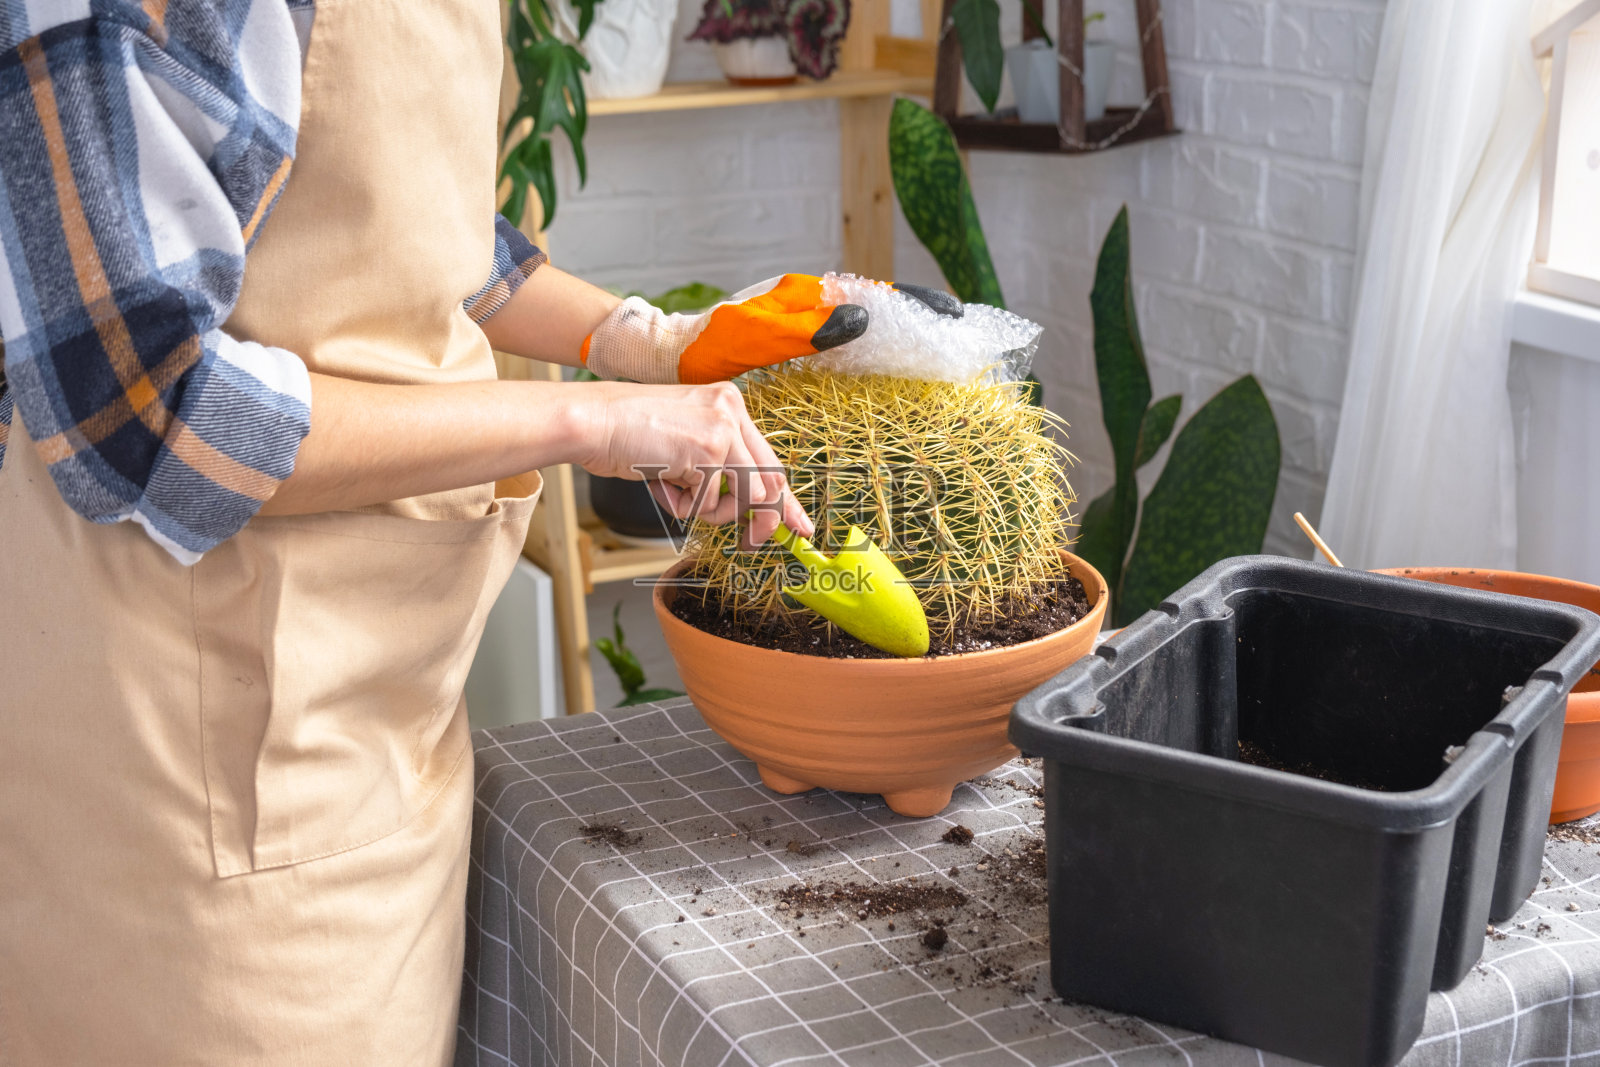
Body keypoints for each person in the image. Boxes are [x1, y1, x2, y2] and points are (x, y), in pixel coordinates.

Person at [0, 1, 881, 1062]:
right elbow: (141, 408)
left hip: (383, 716)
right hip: (185, 771)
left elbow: (406, 221)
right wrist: (588, 419)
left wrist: (641, 340)